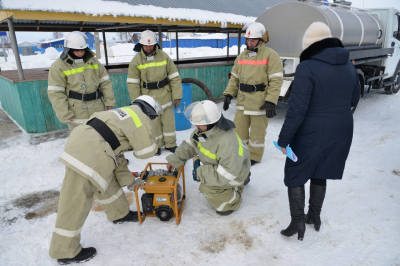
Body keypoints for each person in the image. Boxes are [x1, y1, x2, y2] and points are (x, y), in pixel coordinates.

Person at [49, 95, 161, 264]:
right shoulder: (140, 119)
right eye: (152, 118)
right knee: (76, 200)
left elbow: (117, 152)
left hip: (90, 144)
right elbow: (146, 152)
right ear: (150, 113)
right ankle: (65, 250)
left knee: (107, 181)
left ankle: (119, 214)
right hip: (88, 152)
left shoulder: (123, 114)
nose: (151, 121)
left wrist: (130, 183)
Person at [277, 22, 360, 241]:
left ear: (309, 45)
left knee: (295, 173)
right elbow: (353, 100)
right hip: (342, 129)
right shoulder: (349, 64)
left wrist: (283, 140)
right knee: (320, 169)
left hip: (312, 130)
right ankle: (314, 216)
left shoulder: (307, 67)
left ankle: (297, 222)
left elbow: (296, 110)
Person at [166, 100, 251, 216]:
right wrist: (175, 159)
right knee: (214, 176)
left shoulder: (227, 141)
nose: (196, 126)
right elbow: (190, 145)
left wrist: (200, 172)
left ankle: (233, 200)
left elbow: (227, 172)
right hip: (233, 166)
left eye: (199, 123)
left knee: (207, 188)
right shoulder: (206, 131)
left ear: (210, 122)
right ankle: (239, 182)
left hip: (234, 172)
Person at [222, 22, 283, 166]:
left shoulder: (271, 55)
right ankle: (241, 153)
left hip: (259, 102)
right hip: (243, 100)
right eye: (248, 40)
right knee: (239, 130)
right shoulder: (242, 56)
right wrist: (228, 95)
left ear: (261, 40)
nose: (249, 43)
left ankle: (254, 156)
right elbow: (234, 78)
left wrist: (271, 101)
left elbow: (276, 81)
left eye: (253, 40)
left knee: (257, 132)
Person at [127, 30, 182, 155]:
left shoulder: (164, 56)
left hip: (165, 95)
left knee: (169, 122)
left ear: (155, 44)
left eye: (151, 45)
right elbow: (133, 83)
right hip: (147, 98)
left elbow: (174, 77)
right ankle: (156, 146)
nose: (148, 48)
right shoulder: (136, 61)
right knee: (153, 124)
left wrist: (177, 96)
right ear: (141, 45)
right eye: (146, 45)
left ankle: (171, 144)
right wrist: (137, 102)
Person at [48, 31, 116, 131]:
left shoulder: (93, 61)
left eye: (83, 50)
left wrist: (109, 100)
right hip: (76, 113)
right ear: (68, 49)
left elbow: (105, 82)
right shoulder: (58, 67)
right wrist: (64, 113)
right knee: (80, 141)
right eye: (76, 50)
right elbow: (56, 93)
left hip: (97, 108)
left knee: (101, 137)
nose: (80, 53)